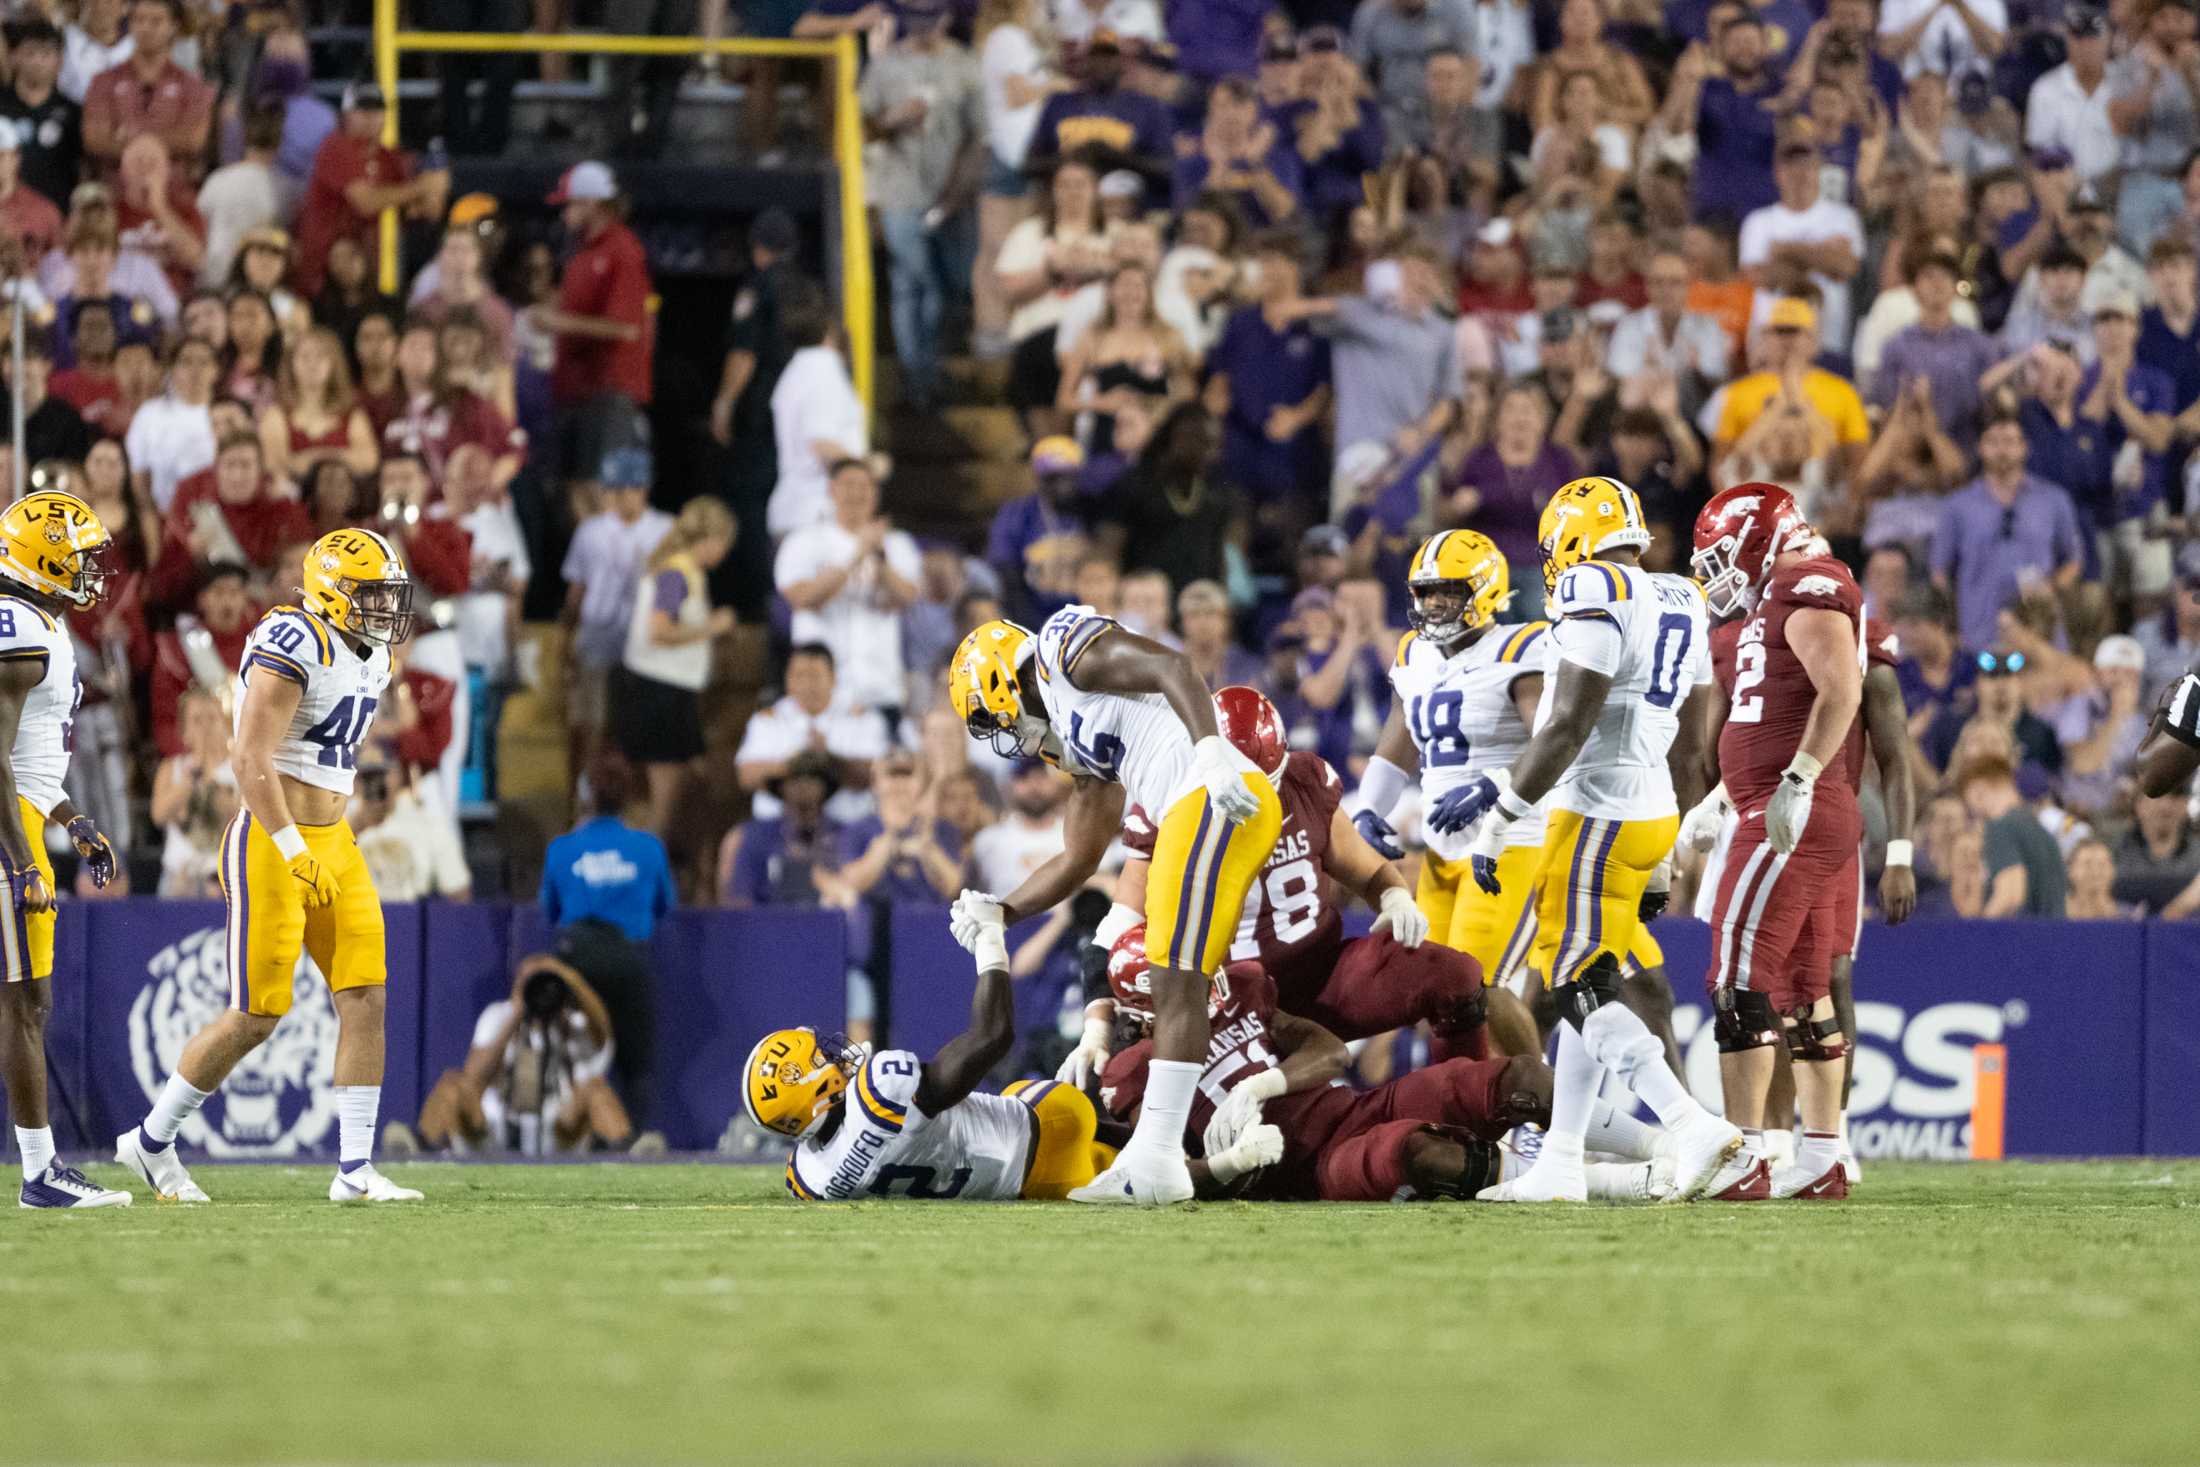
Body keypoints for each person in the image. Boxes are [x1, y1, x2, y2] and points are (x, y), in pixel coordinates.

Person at [1427, 477, 1740, 1204]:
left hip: (1596, 810)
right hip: (1649, 810)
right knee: (1590, 976)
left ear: (1571, 538)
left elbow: (1566, 725)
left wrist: (1503, 815)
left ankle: (1688, 1124)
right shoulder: (1681, 595)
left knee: (1573, 984)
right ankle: (1562, 1159)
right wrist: (1667, 846)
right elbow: (1695, 746)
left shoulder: (1596, 586)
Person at [117, 529, 422, 1205]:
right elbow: (250, 758)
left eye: (389, 595)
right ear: (332, 592)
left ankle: (354, 1169)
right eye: (371, 594)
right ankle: (149, 1140)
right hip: (270, 837)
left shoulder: (371, 653)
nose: (385, 609)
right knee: (257, 1015)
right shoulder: (294, 638)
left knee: (366, 993)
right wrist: (290, 849)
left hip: (335, 838)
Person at [944, 600, 1282, 1205]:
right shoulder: (1070, 741)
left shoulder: (1061, 652)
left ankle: (1154, 1163)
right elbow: (1077, 856)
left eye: (991, 717)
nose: (1004, 734)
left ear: (999, 682)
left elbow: (1172, 667)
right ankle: (1155, 1161)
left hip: (1211, 793)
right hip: (1188, 810)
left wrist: (1207, 749)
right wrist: (1005, 911)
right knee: (1173, 976)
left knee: (1175, 978)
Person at [1355, 529, 1669, 1058]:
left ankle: (1536, 1109)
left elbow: (1553, 737)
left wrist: (1496, 784)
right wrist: (1368, 807)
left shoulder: (1521, 647)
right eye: (1427, 593)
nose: (1435, 605)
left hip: (1511, 843)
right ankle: (1475, 1122)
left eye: (1448, 592)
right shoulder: (1414, 654)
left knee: (1477, 984)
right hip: (1441, 848)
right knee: (1444, 999)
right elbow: (1400, 736)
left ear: (1485, 591)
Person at [1096, 925, 1672, 1202]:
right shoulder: (1134, 1071)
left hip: (1353, 1108)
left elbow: (1328, 1051)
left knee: (1521, 1078)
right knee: (1423, 1153)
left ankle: (1664, 1150)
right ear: (1148, 1009)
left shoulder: (1243, 987)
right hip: (1312, 1170)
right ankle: (1622, 1185)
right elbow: (1161, 1176)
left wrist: (1264, 1084)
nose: (1205, 990)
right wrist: (1230, 1165)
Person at [1681, 484, 1872, 1201]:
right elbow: (1774, 716)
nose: (1713, 572)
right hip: (1781, 800)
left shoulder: (1805, 583)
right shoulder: (1777, 597)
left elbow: (1842, 690)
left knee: (1737, 980)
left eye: (1720, 556)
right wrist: (1718, 795)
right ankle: (1821, 1155)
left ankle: (1745, 1152)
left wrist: (1797, 778)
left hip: (1792, 808)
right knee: (1803, 989)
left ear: (1762, 539)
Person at [753, 900, 1122, 1202]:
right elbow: (993, 1036)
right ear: (815, 1091)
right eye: (823, 1060)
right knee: (1084, 1112)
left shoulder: (812, 1179)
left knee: (1022, 1099)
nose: (834, 1056)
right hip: (1049, 1131)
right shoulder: (883, 1088)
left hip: (1019, 1190)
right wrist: (990, 944)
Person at [0, 491, 129, 1207]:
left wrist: (73, 819)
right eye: (78, 555)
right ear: (42, 557)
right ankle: (41, 1173)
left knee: (29, 999)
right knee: (24, 999)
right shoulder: (17, 622)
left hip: (19, 815)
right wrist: (21, 859)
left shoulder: (41, 620)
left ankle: (41, 1167)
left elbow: (32, 756)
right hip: (4, 830)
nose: (90, 569)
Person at [540, 750, 677, 1128]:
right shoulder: (648, 848)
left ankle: (562, 1140)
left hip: (575, 961)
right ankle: (637, 1140)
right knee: (637, 1065)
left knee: (571, 1058)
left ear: (584, 794)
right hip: (628, 958)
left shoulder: (562, 848)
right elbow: (665, 905)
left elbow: (549, 911)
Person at [861, 0, 983, 412]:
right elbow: (859, 127)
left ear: (947, 18)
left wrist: (956, 190)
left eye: (931, 18)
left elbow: (977, 137)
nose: (923, 27)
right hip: (900, 189)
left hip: (950, 194)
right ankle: (917, 381)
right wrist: (890, 120)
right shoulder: (885, 66)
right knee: (913, 283)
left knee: (952, 284)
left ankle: (932, 372)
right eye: (915, 18)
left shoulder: (966, 65)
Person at [405, 954, 640, 1156]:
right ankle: (415, 1147)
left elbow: (602, 1032)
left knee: (595, 1088)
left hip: (558, 1128)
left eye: (543, 983)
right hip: (492, 1126)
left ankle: (632, 1153)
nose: (538, 992)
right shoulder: (499, 1014)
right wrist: (517, 1013)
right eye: (529, 982)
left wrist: (568, 978)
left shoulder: (571, 1022)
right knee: (453, 1083)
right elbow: (474, 1076)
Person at [536, 161, 651, 518]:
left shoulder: (623, 250)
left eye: (569, 204)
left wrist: (557, 321)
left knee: (602, 494)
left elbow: (626, 327)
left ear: (593, 204)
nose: (565, 213)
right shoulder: (580, 252)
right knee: (574, 494)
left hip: (609, 390)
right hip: (576, 389)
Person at [616, 497, 737, 838]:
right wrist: (713, 627)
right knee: (663, 796)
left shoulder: (685, 571)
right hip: (658, 691)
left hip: (672, 690)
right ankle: (651, 862)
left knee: (691, 781)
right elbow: (659, 630)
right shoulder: (674, 573)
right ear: (712, 538)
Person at [775, 458, 921, 728]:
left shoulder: (896, 543)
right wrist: (856, 555)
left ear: (875, 493)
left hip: (880, 686)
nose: (856, 493)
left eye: (864, 486)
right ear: (831, 490)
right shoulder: (804, 541)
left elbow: (908, 597)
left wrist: (879, 558)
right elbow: (802, 598)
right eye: (848, 485)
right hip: (819, 694)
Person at [558, 447, 671, 782]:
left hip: (647, 645)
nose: (619, 497)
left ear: (643, 488)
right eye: (613, 489)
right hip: (598, 639)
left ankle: (632, 804)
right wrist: (565, 643)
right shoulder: (591, 530)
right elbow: (576, 592)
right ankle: (585, 796)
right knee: (590, 723)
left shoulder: (665, 530)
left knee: (641, 728)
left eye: (626, 488)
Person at [1929, 413, 2086, 651]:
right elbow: (1939, 571)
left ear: (2025, 448)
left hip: (2039, 631)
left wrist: (2050, 588)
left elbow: (2073, 560)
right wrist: (1950, 625)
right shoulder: (1957, 506)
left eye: (2011, 442)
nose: (2002, 450)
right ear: (1980, 448)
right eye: (1993, 442)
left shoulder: (2053, 499)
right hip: (1977, 631)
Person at [293, 81, 445, 298]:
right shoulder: (335, 146)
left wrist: (435, 186)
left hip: (371, 273)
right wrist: (423, 186)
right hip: (322, 274)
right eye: (362, 110)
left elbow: (428, 210)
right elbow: (366, 202)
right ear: (347, 115)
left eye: (376, 110)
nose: (370, 117)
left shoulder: (389, 157)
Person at [733, 641, 892, 826]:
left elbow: (876, 776)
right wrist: (794, 764)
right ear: (787, 679)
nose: (806, 684)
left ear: (833, 678)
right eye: (798, 675)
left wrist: (831, 760)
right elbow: (746, 777)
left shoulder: (862, 718)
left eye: (814, 675)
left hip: (848, 828)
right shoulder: (767, 720)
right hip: (777, 830)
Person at [766, 279, 868, 538]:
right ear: (830, 326)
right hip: (817, 516)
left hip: (796, 513)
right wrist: (867, 470)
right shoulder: (823, 371)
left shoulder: (794, 370)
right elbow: (822, 442)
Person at [80, 0, 212, 183]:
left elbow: (193, 140)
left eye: (156, 21)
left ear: (174, 26)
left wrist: (130, 136)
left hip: (173, 192)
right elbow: (94, 139)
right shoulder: (104, 82)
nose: (145, 28)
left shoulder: (191, 85)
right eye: (138, 20)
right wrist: (164, 138)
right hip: (116, 191)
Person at [151, 686, 238, 898]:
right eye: (197, 720)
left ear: (225, 723)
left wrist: (210, 778)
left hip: (222, 879)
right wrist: (190, 780)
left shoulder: (239, 769)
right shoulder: (172, 768)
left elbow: (240, 816)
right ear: (184, 731)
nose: (205, 728)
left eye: (212, 718)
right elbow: (159, 815)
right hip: (179, 878)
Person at [1957, 755, 2067, 916]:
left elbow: (2010, 895)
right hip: (2055, 934)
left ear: (1979, 789)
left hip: (2022, 936)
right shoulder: (2041, 831)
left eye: (1974, 802)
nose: (1977, 813)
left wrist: (1978, 934)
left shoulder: (2000, 827)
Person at [2, 20, 84, 212]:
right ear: (13, 57)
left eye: (46, 53)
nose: (38, 61)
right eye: (30, 53)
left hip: (57, 214)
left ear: (59, 60)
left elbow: (83, 168)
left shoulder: (72, 112)